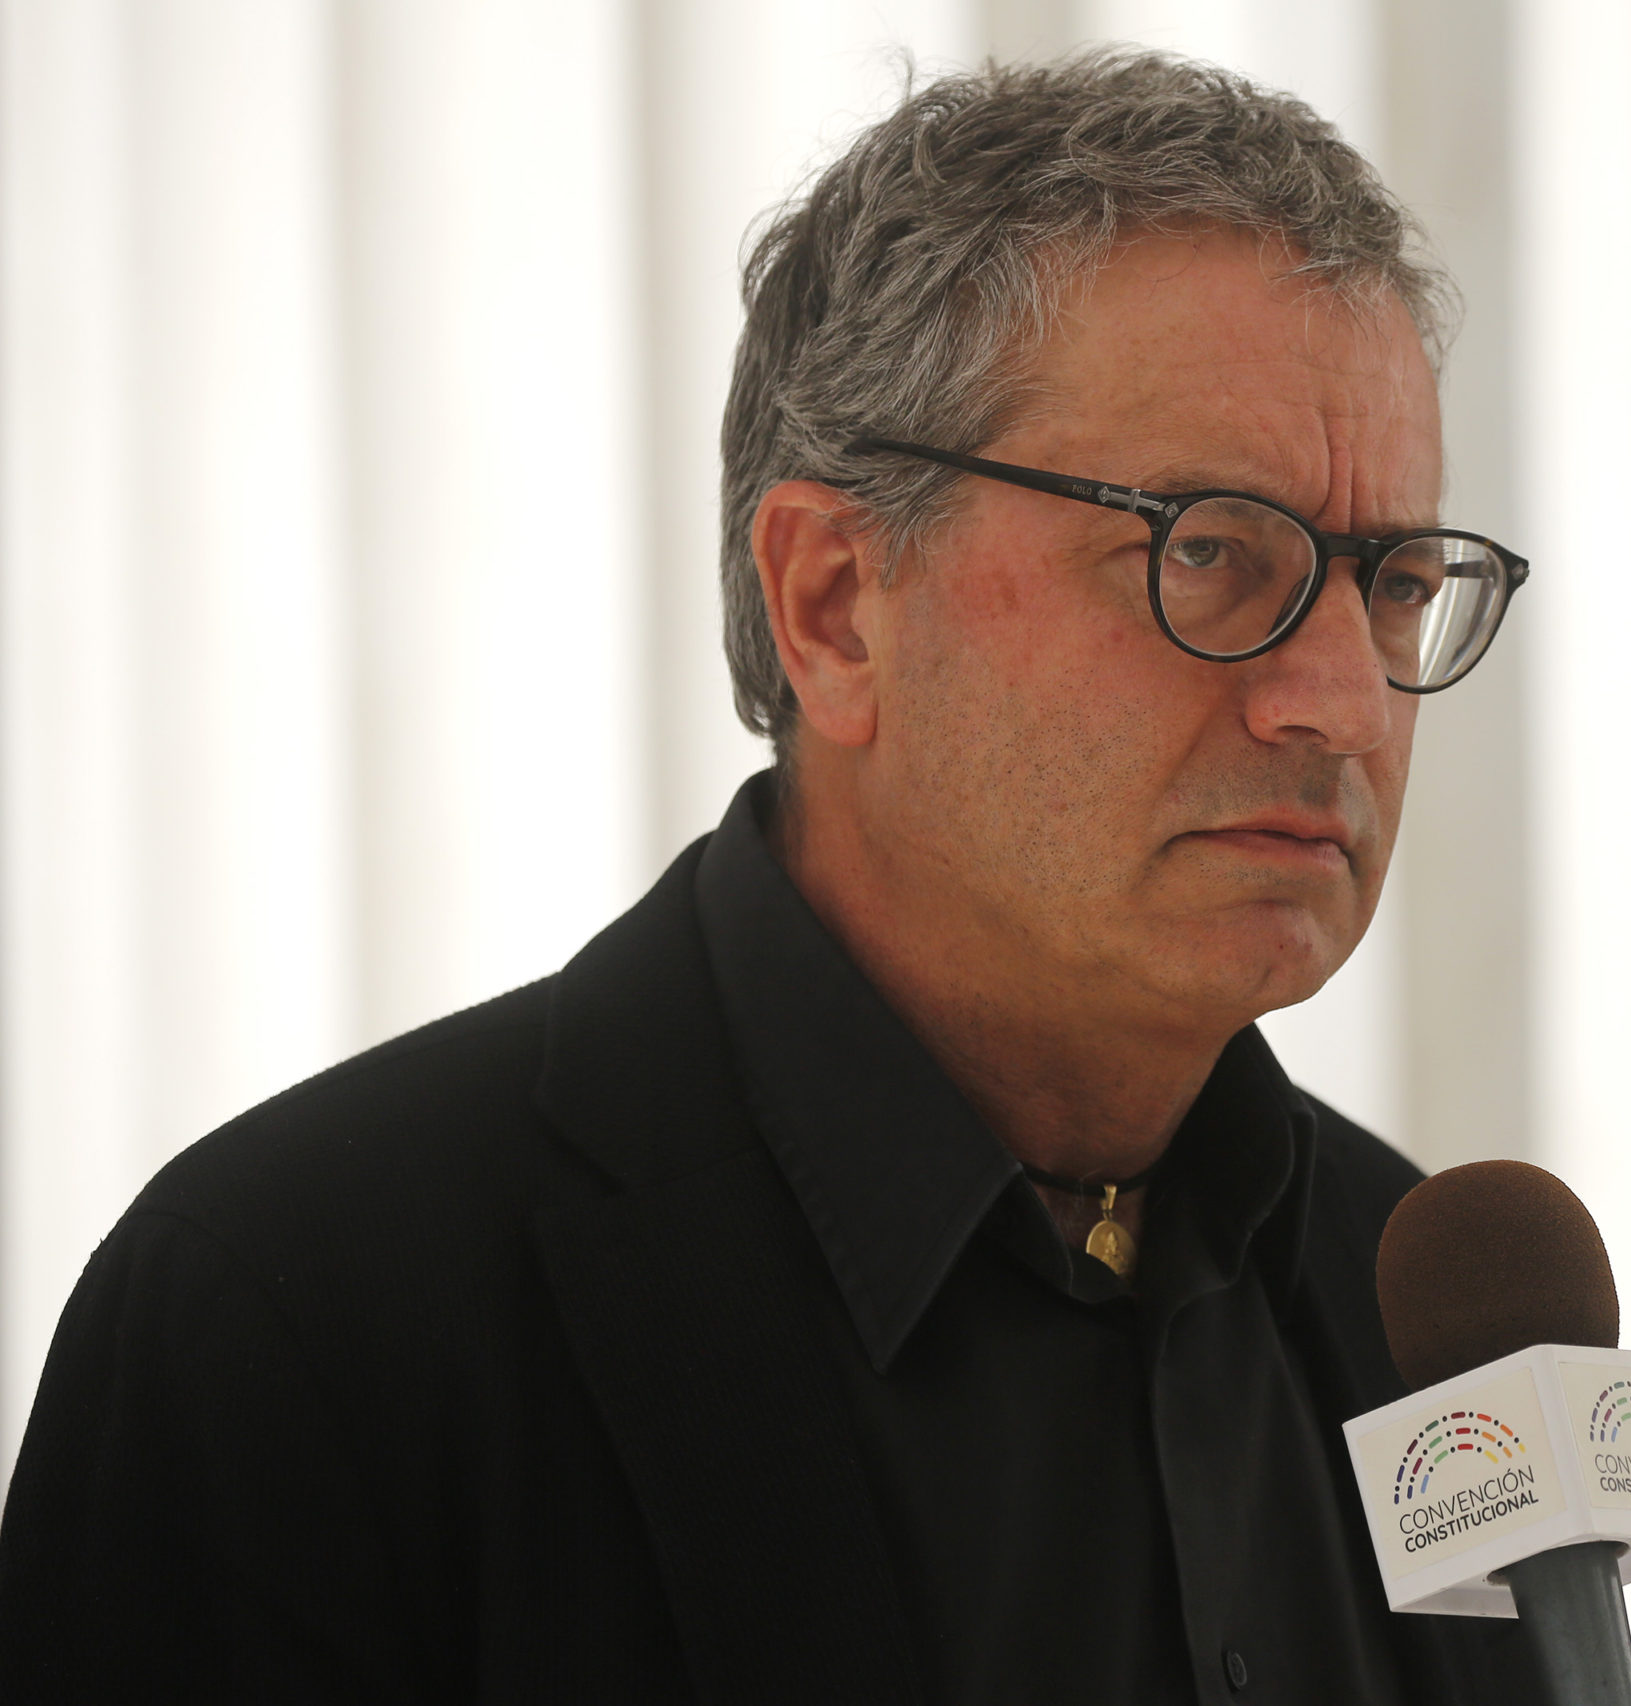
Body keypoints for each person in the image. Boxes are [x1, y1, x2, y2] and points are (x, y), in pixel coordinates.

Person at [0, 49, 1545, 1705]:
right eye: (1212, 552)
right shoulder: (300, 1324)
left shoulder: (1428, 1314)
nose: (1345, 702)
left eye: (1394, 581)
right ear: (835, 605)